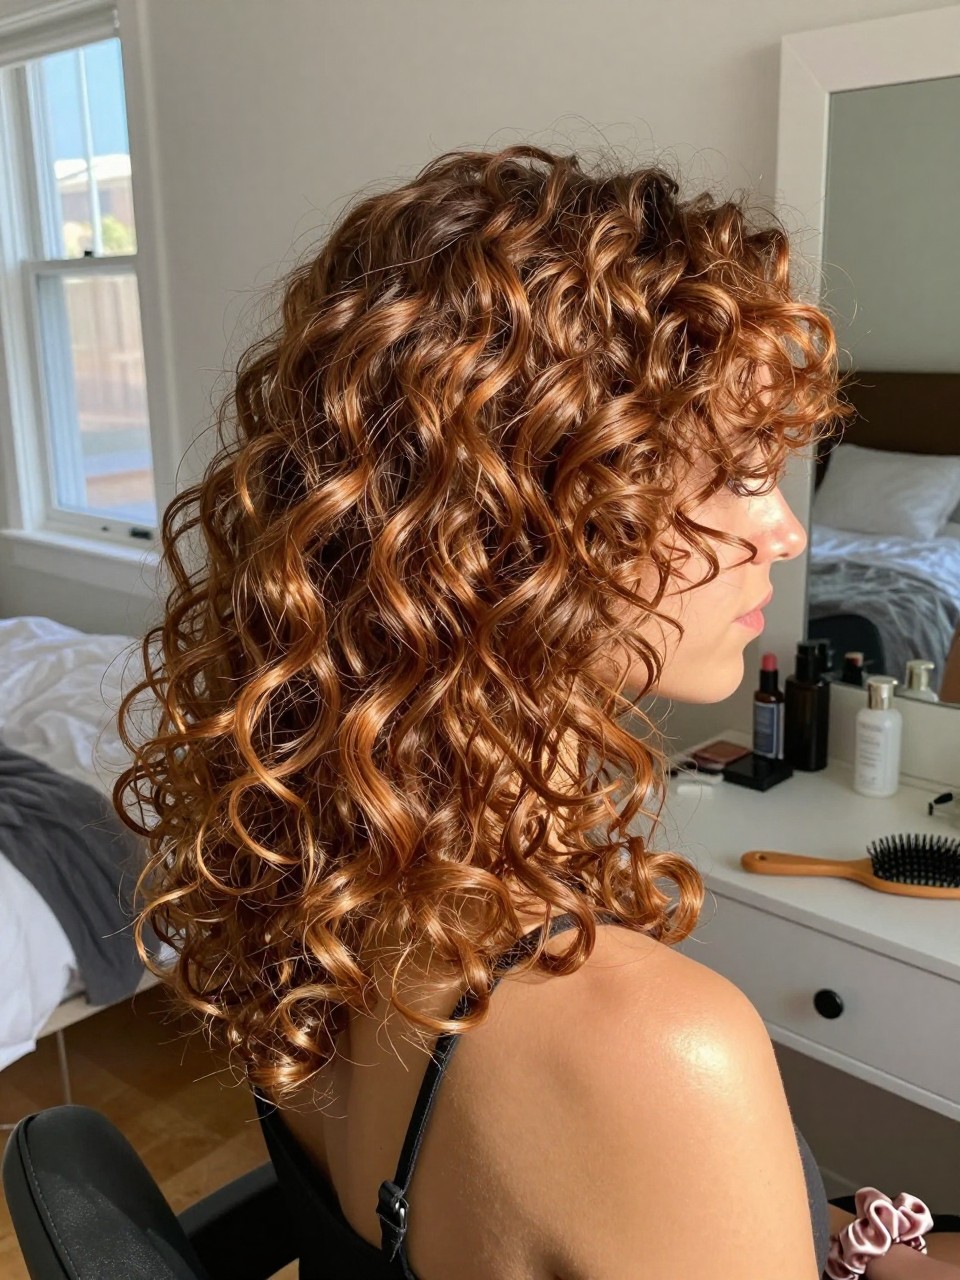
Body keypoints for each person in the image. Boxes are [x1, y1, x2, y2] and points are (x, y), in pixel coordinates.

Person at [115, 144, 960, 1279]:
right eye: (737, 472)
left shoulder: (327, 867)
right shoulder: (655, 1052)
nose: (787, 531)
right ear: (521, 515)